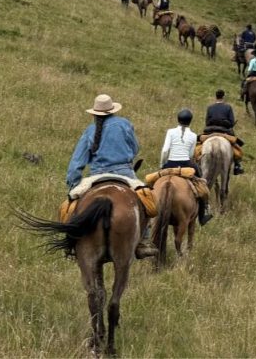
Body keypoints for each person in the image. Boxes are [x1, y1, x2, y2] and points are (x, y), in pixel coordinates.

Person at [63, 94, 155, 255]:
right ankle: (144, 241)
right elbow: (135, 149)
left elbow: (76, 162)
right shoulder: (124, 124)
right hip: (125, 173)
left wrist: (73, 184)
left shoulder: (90, 131)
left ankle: (72, 241)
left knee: (70, 207)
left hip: (96, 176)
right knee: (147, 200)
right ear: (113, 110)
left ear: (94, 114)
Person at [152, 108, 205, 224]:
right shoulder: (193, 135)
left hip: (170, 163)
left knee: (150, 185)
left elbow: (165, 150)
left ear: (178, 119)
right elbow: (191, 154)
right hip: (187, 164)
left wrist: (162, 165)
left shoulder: (170, 132)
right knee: (201, 185)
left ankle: (147, 212)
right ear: (190, 121)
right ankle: (203, 213)